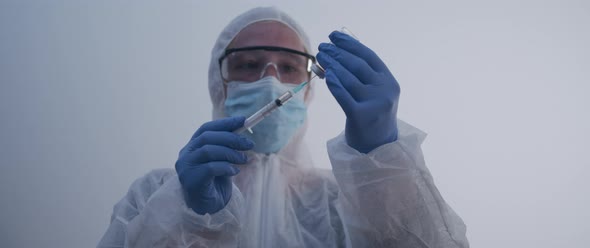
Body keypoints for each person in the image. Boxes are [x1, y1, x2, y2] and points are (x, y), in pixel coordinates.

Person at [97, 6, 469, 248]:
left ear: (306, 90)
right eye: (249, 64)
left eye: (289, 67)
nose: (271, 80)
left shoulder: (341, 200)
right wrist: (190, 216)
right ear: (219, 82)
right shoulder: (157, 193)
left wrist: (382, 168)